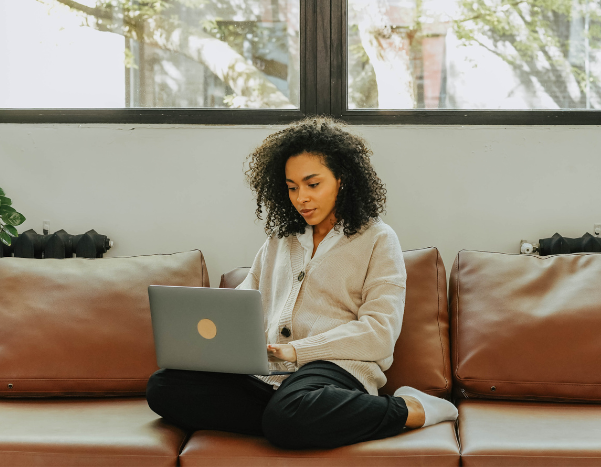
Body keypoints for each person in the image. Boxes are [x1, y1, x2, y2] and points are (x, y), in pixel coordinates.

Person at [146, 116, 458, 449]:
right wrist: (221, 345)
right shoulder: (280, 239)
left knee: (290, 414)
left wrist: (298, 351)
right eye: (292, 187)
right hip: (266, 375)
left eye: (313, 184)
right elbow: (244, 302)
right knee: (164, 388)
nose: (301, 198)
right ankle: (295, 419)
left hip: (336, 370)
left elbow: (379, 334)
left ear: (342, 179)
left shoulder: (379, 239)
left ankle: (410, 408)